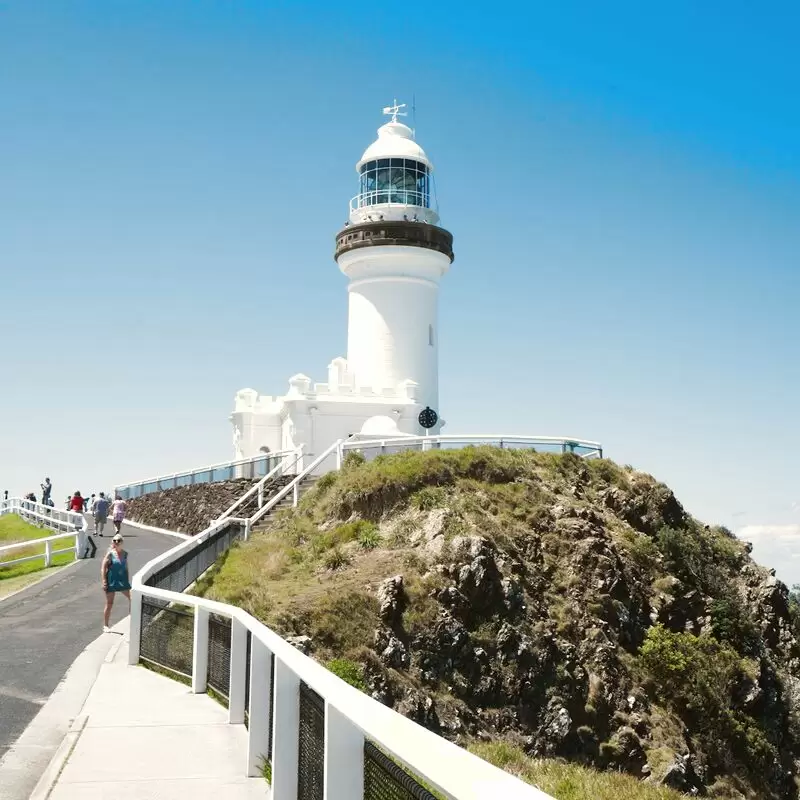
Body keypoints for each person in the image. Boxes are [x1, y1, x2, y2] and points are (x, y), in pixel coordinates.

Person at [101, 534, 130, 633]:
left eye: (118, 541)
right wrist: (104, 581)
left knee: (133, 598)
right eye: (114, 540)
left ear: (122, 542)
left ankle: (131, 619)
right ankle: (105, 625)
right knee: (109, 603)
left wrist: (127, 579)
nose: (116, 542)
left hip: (122, 581)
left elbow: (126, 567)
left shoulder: (125, 554)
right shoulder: (110, 554)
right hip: (111, 581)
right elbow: (103, 568)